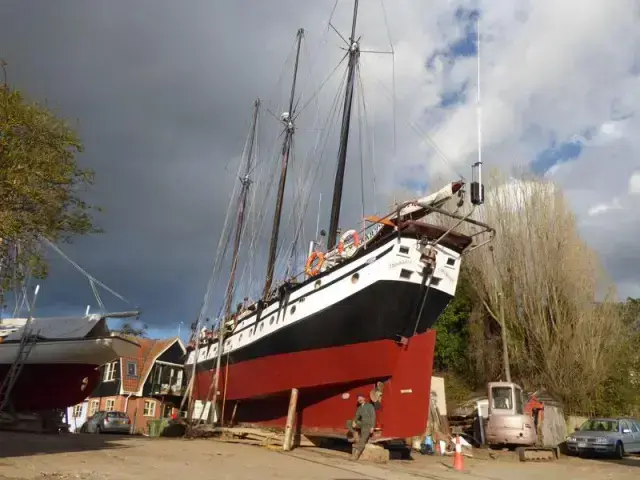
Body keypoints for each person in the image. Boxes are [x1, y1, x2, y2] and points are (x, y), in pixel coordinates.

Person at [346, 392, 377, 460]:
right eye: (358, 398)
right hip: (362, 423)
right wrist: (354, 421)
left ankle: (356, 455)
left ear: (364, 398)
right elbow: (356, 416)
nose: (359, 399)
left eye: (360, 398)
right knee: (349, 422)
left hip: (368, 425)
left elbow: (373, 416)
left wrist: (372, 427)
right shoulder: (359, 408)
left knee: (363, 439)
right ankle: (356, 436)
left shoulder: (369, 406)